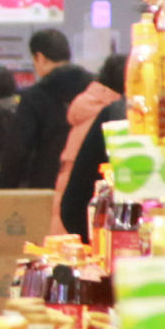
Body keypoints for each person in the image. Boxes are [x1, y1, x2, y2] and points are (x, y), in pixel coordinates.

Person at [2, 29, 91, 191]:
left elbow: (17, 151)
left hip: (47, 186)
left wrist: (5, 190)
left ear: (39, 57)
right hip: (89, 182)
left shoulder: (35, 96)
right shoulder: (94, 90)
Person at [59, 50, 129, 237]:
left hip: (78, 220)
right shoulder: (116, 116)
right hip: (110, 229)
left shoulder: (91, 109)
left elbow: (74, 200)